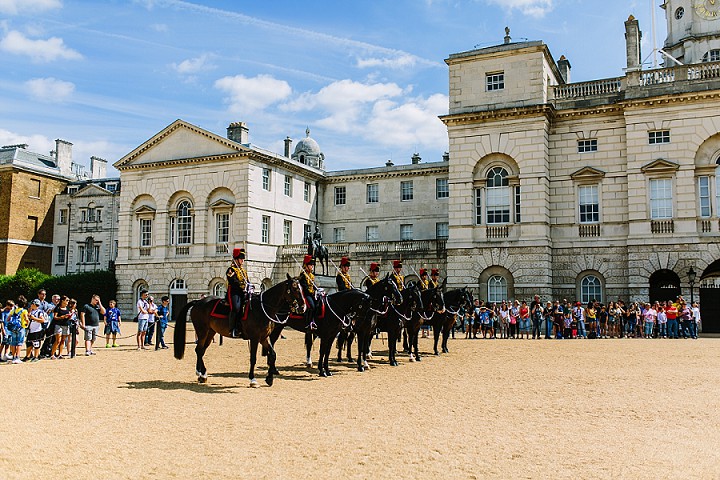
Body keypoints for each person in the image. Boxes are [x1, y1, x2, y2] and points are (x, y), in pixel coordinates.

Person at [227, 247, 249, 338]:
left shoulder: (243, 271)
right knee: (236, 308)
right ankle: (232, 329)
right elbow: (233, 282)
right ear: (236, 259)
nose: (243, 260)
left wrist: (249, 286)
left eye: (243, 259)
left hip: (243, 293)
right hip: (234, 292)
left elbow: (247, 281)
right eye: (241, 259)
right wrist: (242, 288)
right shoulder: (231, 270)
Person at [299, 254, 318, 330]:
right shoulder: (303, 275)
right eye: (310, 265)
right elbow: (305, 288)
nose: (312, 266)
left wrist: (316, 291)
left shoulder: (311, 275)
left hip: (312, 294)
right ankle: (309, 322)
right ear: (306, 266)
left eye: (312, 265)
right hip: (306, 295)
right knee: (312, 306)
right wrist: (312, 293)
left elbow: (313, 286)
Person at [7, 296, 28, 364]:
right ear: (24, 304)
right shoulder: (24, 311)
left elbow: (8, 318)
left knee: (13, 342)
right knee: (19, 343)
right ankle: (17, 357)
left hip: (13, 328)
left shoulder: (13, 311)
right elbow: (27, 319)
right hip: (21, 328)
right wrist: (27, 323)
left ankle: (13, 357)